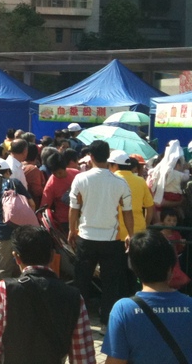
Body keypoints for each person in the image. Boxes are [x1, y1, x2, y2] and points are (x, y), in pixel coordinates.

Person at [0, 225, 95, 364]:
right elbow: (83, 358)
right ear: (52, 255)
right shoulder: (74, 297)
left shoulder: (3, 291)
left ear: (17, 257)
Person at [68, 140, 133, 332]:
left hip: (86, 237)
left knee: (82, 281)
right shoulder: (120, 182)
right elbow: (127, 212)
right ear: (108, 157)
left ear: (91, 157)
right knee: (110, 283)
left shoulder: (80, 179)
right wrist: (131, 234)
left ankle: (79, 322)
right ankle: (106, 323)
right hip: (111, 240)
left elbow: (74, 208)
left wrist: (72, 229)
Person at [102, 229, 192, 363]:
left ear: (133, 267)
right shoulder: (189, 305)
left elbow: (115, 361)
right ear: (172, 267)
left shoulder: (123, 309)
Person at [0, 159, 35, 281]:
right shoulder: (15, 183)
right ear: (7, 172)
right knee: (24, 264)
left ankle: (3, 291)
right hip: (22, 231)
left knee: (4, 268)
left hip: (3, 233)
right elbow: (32, 204)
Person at [40, 150, 80, 236]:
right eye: (54, 173)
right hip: (64, 221)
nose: (57, 175)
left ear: (65, 167)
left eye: (60, 172)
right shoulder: (50, 185)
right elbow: (44, 207)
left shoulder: (76, 174)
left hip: (80, 217)